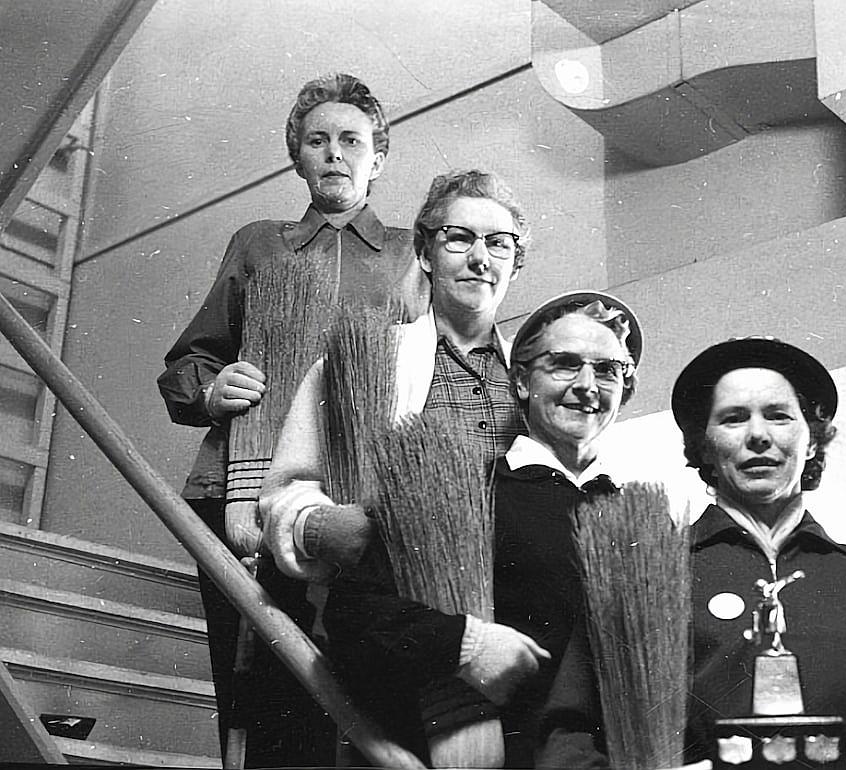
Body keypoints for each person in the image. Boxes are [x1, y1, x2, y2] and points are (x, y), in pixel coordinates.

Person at [537, 337, 846, 770]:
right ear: (703, 445)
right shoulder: (639, 572)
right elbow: (566, 744)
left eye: (779, 416)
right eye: (733, 419)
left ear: (812, 442)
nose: (758, 435)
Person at [157, 73, 421, 766]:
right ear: (297, 157)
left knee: (356, 695)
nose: (335, 153)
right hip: (238, 494)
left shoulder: (408, 255)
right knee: (258, 695)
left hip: (354, 505)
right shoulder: (258, 243)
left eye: (351, 140)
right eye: (318, 140)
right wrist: (215, 390)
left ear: (378, 157)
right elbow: (187, 365)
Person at [284, 290, 643, 768]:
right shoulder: (459, 491)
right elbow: (353, 617)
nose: (587, 385)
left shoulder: (641, 522)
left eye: (607, 370)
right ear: (520, 382)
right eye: (563, 364)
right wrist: (464, 645)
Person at [259, 168, 532, 765]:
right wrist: (321, 526)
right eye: (460, 238)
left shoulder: (533, 382)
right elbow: (282, 495)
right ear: (427, 253)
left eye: (499, 243)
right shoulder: (362, 362)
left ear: (516, 261)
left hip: (511, 640)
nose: (480, 257)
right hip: (395, 633)